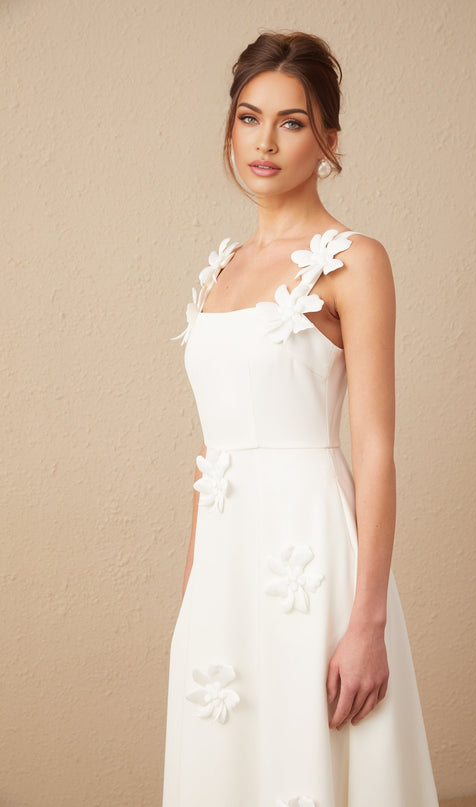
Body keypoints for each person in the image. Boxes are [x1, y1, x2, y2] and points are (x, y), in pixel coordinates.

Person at [162, 30, 439, 807]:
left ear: (329, 140)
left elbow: (377, 448)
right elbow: (212, 455)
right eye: (250, 117)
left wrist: (368, 622)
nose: (265, 141)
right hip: (226, 570)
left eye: (292, 121)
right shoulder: (221, 269)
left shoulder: (354, 260)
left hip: (310, 562)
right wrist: (192, 598)